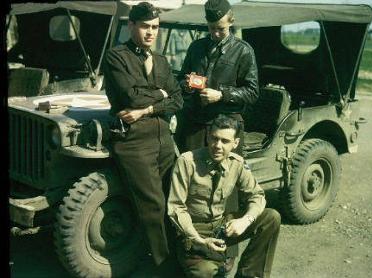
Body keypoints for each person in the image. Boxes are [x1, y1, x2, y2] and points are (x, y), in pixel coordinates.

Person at [103, 1, 183, 270]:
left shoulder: (160, 60)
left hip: (163, 139)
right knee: (153, 206)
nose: (151, 32)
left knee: (175, 201)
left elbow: (178, 99)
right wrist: (160, 94)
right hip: (134, 141)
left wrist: (148, 107)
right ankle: (163, 266)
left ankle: (184, 257)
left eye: (156, 27)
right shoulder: (116, 57)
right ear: (131, 26)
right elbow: (129, 96)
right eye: (146, 26)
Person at [168, 114, 280, 278]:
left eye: (225, 141)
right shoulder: (187, 162)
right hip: (194, 231)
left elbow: (257, 195)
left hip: (221, 226)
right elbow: (176, 207)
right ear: (208, 137)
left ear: (235, 143)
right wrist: (199, 239)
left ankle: (248, 274)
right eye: (214, 138)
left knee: (271, 217)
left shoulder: (237, 163)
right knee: (205, 272)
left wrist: (244, 221)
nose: (217, 146)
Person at [175, 0, 259, 155]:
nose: (215, 33)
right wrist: (186, 85)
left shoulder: (243, 51)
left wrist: (221, 94)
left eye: (221, 28)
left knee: (226, 175)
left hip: (227, 127)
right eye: (211, 28)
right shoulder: (196, 47)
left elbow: (252, 92)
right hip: (196, 125)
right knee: (192, 172)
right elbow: (180, 80)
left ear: (231, 22)